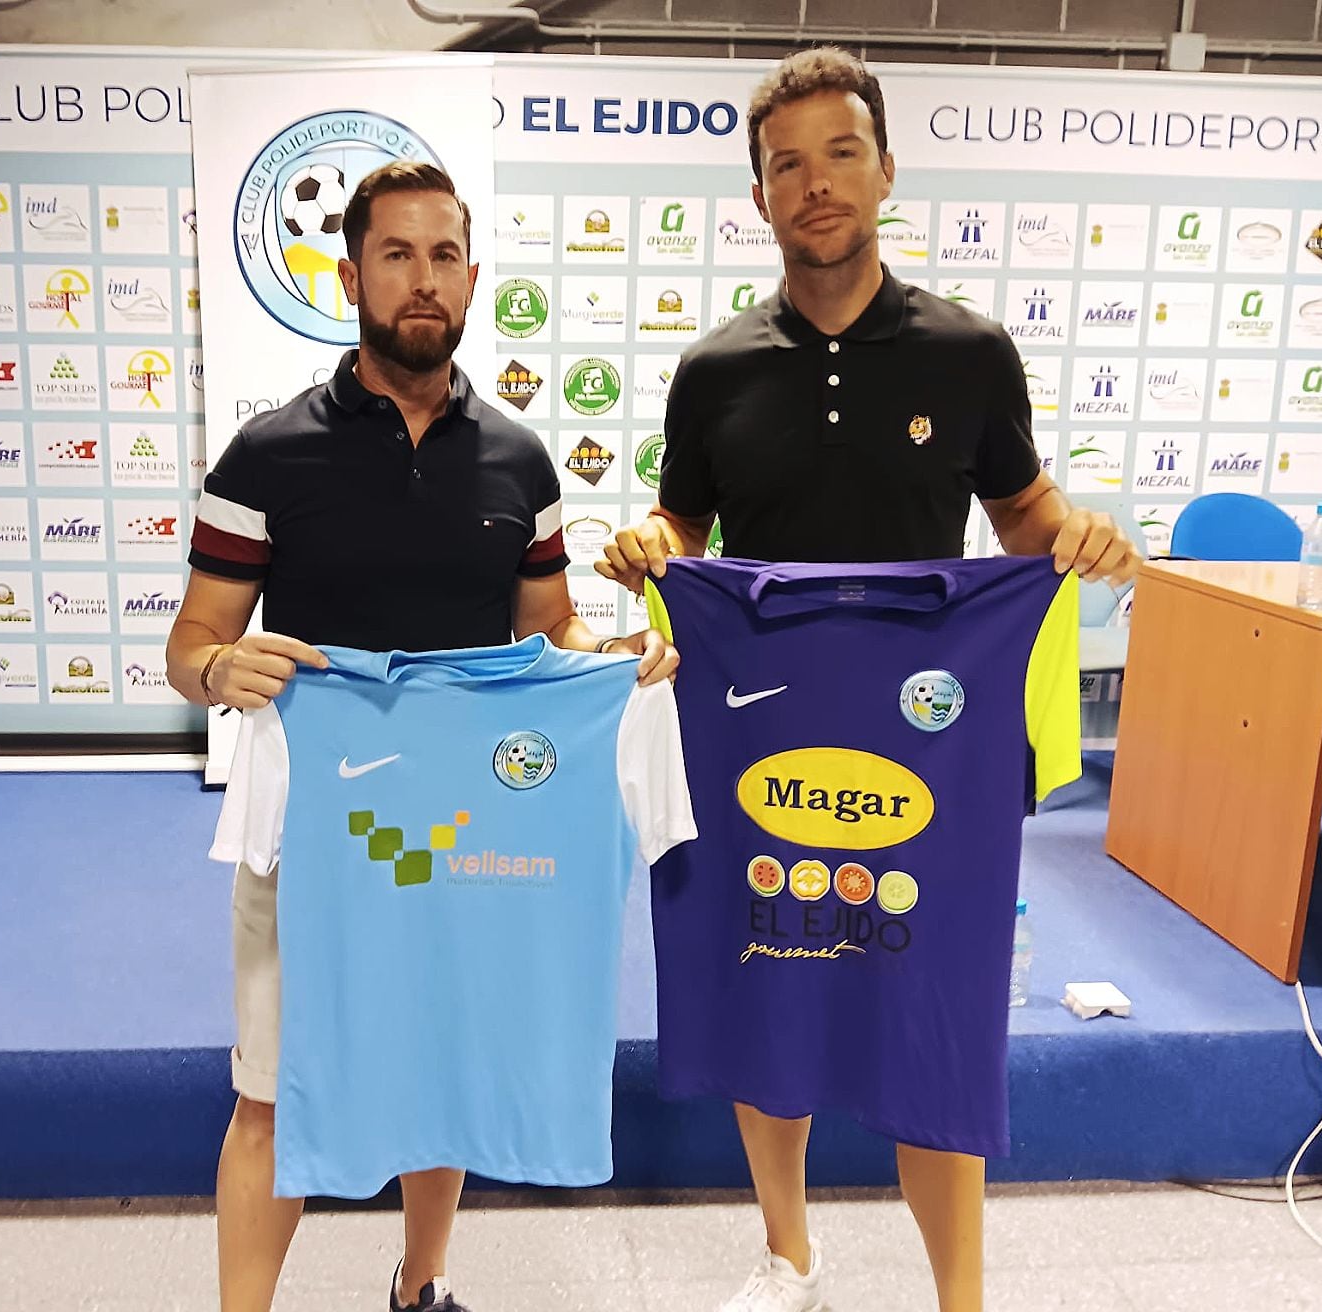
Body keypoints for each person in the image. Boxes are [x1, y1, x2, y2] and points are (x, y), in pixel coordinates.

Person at [594, 48, 1140, 1312]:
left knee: (931, 1002)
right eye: (786, 164)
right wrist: (647, 549)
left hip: (923, 731)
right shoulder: (716, 371)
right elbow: (684, 532)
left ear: (885, 170)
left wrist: (1087, 535)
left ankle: (962, 1295)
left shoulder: (967, 352)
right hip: (757, 728)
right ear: (760, 196)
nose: (815, 183)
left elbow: (1025, 518)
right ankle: (788, 1257)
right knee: (766, 977)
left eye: (840, 154)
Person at [166, 160, 678, 1312]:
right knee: (269, 1092)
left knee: (442, 1071)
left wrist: (620, 662)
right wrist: (219, 666)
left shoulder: (517, 459)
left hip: (463, 829)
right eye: (396, 255)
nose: (422, 280)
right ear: (348, 275)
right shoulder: (264, 455)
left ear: (472, 277)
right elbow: (191, 641)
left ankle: (421, 1285)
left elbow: (548, 631)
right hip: (313, 830)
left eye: (444, 255)